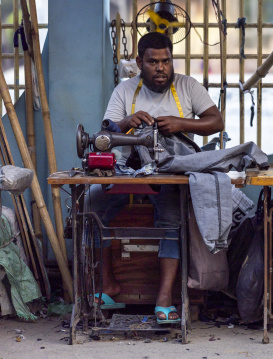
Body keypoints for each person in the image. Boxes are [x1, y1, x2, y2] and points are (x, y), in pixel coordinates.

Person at [88, 32, 223, 324]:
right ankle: (108, 284)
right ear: (139, 62)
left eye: (166, 61)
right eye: (153, 62)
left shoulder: (188, 86)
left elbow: (216, 121)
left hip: (172, 171)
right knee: (92, 209)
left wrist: (181, 123)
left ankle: (164, 299)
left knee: (170, 220)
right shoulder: (125, 91)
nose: (160, 67)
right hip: (130, 170)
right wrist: (127, 123)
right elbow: (104, 135)